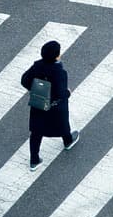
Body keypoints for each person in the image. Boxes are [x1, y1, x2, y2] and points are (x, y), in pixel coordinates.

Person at [20, 40, 78, 170]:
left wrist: (36, 89)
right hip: (55, 106)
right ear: (56, 56)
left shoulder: (37, 66)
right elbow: (60, 93)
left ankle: (34, 160)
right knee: (62, 124)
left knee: (36, 130)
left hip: (39, 102)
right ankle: (68, 141)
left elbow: (24, 80)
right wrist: (68, 93)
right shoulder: (59, 72)